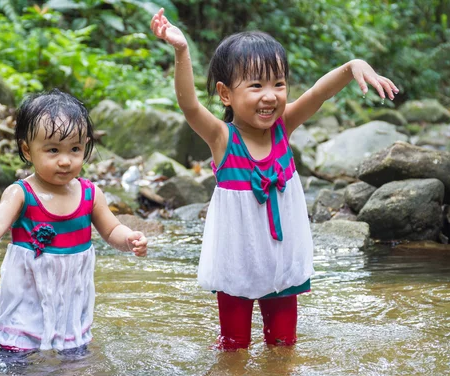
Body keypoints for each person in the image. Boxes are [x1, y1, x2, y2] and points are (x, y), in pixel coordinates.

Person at [151, 9, 398, 350]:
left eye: (278, 83)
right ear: (226, 94)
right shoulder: (223, 139)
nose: (270, 95)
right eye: (256, 85)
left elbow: (317, 94)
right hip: (237, 262)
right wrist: (181, 51)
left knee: (284, 346)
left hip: (281, 263)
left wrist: (351, 66)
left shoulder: (284, 127)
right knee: (233, 348)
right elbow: (190, 105)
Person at [0, 89, 148, 353]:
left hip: (72, 295)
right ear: (28, 149)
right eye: (53, 150)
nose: (65, 161)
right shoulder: (21, 194)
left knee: (74, 356)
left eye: (75, 149)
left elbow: (112, 229)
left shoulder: (90, 194)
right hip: (27, 294)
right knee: (16, 354)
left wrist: (128, 239)